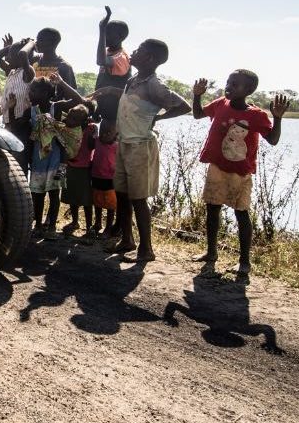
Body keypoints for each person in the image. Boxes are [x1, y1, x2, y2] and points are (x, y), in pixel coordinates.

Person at [93, 39, 191, 263]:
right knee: (123, 195)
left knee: (138, 199)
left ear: (150, 59)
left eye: (139, 50)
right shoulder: (134, 80)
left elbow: (183, 106)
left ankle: (146, 249)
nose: (133, 52)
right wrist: (110, 89)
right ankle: (127, 239)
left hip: (140, 146)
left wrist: (158, 117)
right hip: (125, 143)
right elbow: (132, 100)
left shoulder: (155, 85)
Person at [191, 71, 289, 274]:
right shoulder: (220, 104)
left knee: (241, 213)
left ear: (249, 91)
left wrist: (277, 119)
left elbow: (272, 139)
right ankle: (211, 253)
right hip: (217, 166)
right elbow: (198, 114)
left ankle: (244, 262)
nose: (229, 86)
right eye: (229, 82)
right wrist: (197, 95)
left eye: (235, 84)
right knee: (212, 209)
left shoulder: (256, 115)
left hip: (240, 172)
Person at [28, 78, 86, 240]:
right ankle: (38, 225)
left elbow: (78, 100)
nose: (30, 93)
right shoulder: (31, 111)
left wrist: (61, 82)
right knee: (37, 194)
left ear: (46, 93)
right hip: (37, 160)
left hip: (57, 160)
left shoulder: (57, 107)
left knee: (54, 193)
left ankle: (52, 227)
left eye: (34, 91)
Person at [0, 34, 34, 171]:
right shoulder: (11, 72)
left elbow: (23, 54)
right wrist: (10, 47)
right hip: (9, 123)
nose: (7, 58)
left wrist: (31, 43)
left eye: (10, 55)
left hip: (22, 125)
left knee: (20, 163)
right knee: (9, 162)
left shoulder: (27, 73)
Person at [61, 112, 97, 237]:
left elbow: (93, 145)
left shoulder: (89, 130)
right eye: (70, 117)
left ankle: (89, 226)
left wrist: (93, 133)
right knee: (73, 196)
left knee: (86, 199)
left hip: (84, 168)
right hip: (71, 166)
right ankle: (75, 222)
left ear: (83, 121)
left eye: (74, 118)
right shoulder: (68, 129)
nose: (70, 120)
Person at [95, 6, 131, 121]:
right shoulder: (109, 52)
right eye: (105, 33)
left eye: (108, 34)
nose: (105, 37)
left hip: (116, 116)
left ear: (120, 37)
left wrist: (101, 30)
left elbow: (100, 61)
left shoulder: (121, 57)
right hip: (106, 112)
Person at [91, 119, 119, 237]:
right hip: (96, 176)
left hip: (110, 179)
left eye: (109, 132)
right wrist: (92, 127)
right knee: (97, 201)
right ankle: (97, 223)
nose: (105, 134)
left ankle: (108, 227)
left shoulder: (116, 146)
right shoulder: (96, 141)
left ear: (116, 134)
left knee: (110, 204)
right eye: (103, 131)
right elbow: (89, 139)